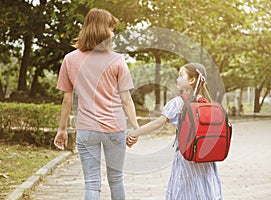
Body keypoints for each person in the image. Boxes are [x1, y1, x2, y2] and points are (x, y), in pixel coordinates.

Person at [54, 8, 139, 200]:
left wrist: (62, 129)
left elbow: (67, 99)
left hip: (86, 129)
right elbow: (126, 100)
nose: (113, 32)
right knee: (116, 180)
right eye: (111, 27)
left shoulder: (70, 59)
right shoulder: (117, 60)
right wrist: (135, 128)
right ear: (103, 30)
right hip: (115, 128)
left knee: (91, 183)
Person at [127, 63, 223, 200]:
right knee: (204, 185)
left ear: (191, 80)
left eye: (181, 75)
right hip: (205, 155)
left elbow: (158, 123)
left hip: (186, 155)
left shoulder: (179, 102)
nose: (177, 79)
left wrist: (135, 133)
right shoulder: (207, 102)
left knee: (184, 187)